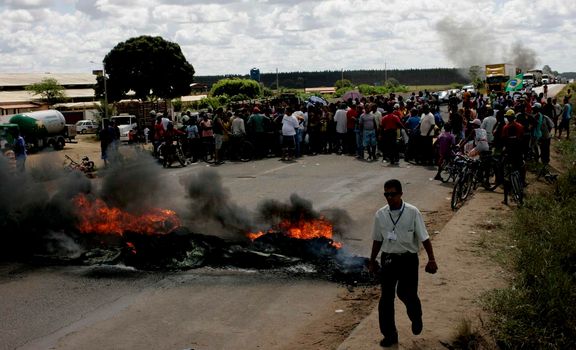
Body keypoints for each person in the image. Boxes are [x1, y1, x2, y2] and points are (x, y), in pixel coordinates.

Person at [368, 179, 437, 347]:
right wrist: (372, 261)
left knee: (406, 294)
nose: (389, 197)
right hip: (389, 259)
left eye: (393, 194)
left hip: (408, 260)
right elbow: (377, 240)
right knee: (386, 299)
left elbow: (424, 237)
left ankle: (416, 316)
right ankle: (390, 335)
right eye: (386, 194)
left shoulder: (413, 212)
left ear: (400, 194)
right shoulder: (381, 214)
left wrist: (431, 259)